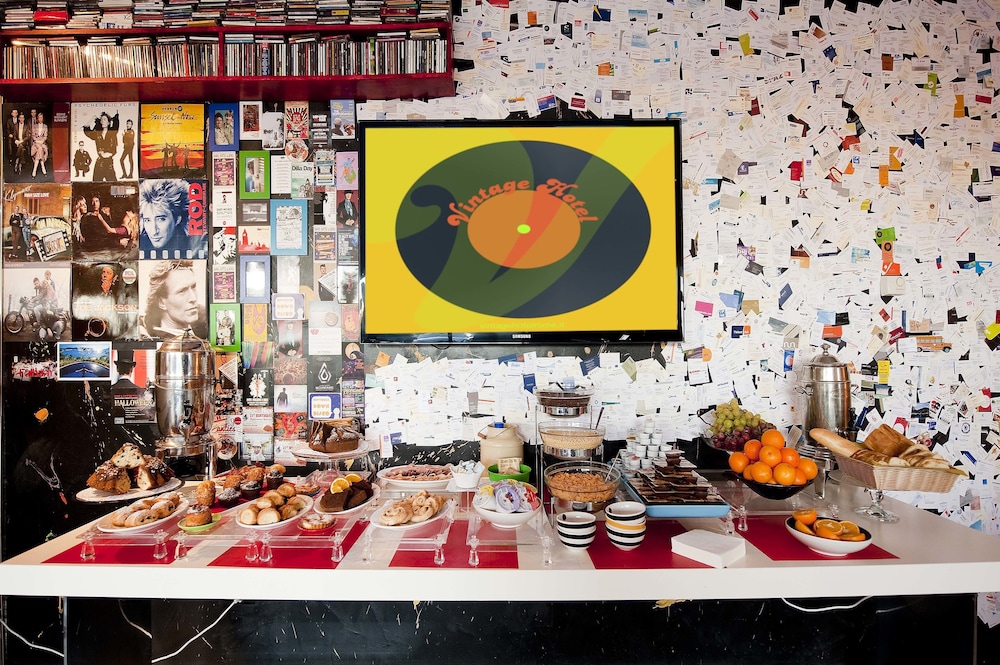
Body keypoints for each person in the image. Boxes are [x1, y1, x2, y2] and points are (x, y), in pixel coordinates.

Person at [141, 259, 207, 339]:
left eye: (193, 287)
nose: (193, 298)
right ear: (161, 302)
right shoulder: (146, 337)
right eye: (182, 291)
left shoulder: (206, 322)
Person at [139, 179, 190, 256]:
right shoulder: (140, 246)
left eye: (160, 219)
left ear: (177, 219)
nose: (154, 231)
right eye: (147, 220)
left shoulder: (193, 247)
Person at [82, 111, 119, 182]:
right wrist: (92, 118)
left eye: (104, 119)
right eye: (101, 120)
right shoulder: (97, 134)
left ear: (108, 123)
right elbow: (86, 131)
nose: (102, 121)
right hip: (99, 164)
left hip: (109, 164)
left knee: (113, 185)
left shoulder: (113, 133)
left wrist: (109, 154)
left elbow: (114, 150)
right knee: (96, 186)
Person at [30, 111, 48, 178]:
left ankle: (34, 170)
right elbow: (33, 135)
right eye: (39, 117)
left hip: (42, 143)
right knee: (40, 148)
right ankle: (43, 167)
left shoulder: (45, 126)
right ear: (37, 118)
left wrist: (41, 141)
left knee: (41, 148)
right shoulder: (35, 126)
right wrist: (37, 141)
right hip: (36, 143)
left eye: (41, 117)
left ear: (43, 118)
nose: (40, 119)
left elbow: (45, 136)